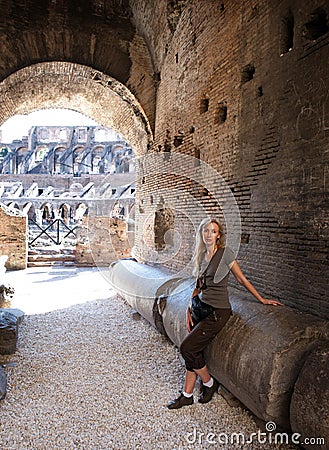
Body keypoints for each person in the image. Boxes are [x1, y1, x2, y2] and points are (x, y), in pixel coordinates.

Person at [167, 218, 283, 409]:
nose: (209, 234)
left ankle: (209, 383)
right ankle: (186, 395)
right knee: (194, 351)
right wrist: (189, 307)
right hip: (200, 308)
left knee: (187, 348)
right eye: (206, 230)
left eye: (213, 231)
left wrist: (262, 299)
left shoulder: (225, 254)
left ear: (218, 235)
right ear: (201, 234)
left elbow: (241, 278)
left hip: (217, 312)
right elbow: (198, 285)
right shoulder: (201, 255)